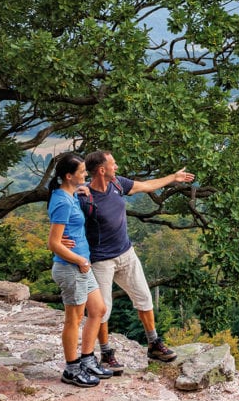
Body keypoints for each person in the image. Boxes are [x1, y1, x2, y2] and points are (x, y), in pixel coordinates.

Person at [82, 150, 195, 370]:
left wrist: (173, 178)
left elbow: (146, 185)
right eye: (113, 164)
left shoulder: (118, 184)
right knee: (102, 309)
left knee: (144, 298)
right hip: (100, 260)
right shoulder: (84, 196)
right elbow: (68, 219)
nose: (117, 167)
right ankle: (106, 354)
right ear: (101, 170)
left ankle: (153, 344)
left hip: (126, 253)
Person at [47, 152, 115, 387]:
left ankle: (87, 359)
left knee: (98, 309)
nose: (86, 175)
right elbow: (53, 243)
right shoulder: (62, 202)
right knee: (73, 320)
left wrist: (80, 189)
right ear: (68, 176)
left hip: (80, 266)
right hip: (71, 267)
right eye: (82, 172)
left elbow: (75, 189)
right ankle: (72, 369)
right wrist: (79, 260)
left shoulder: (69, 193)